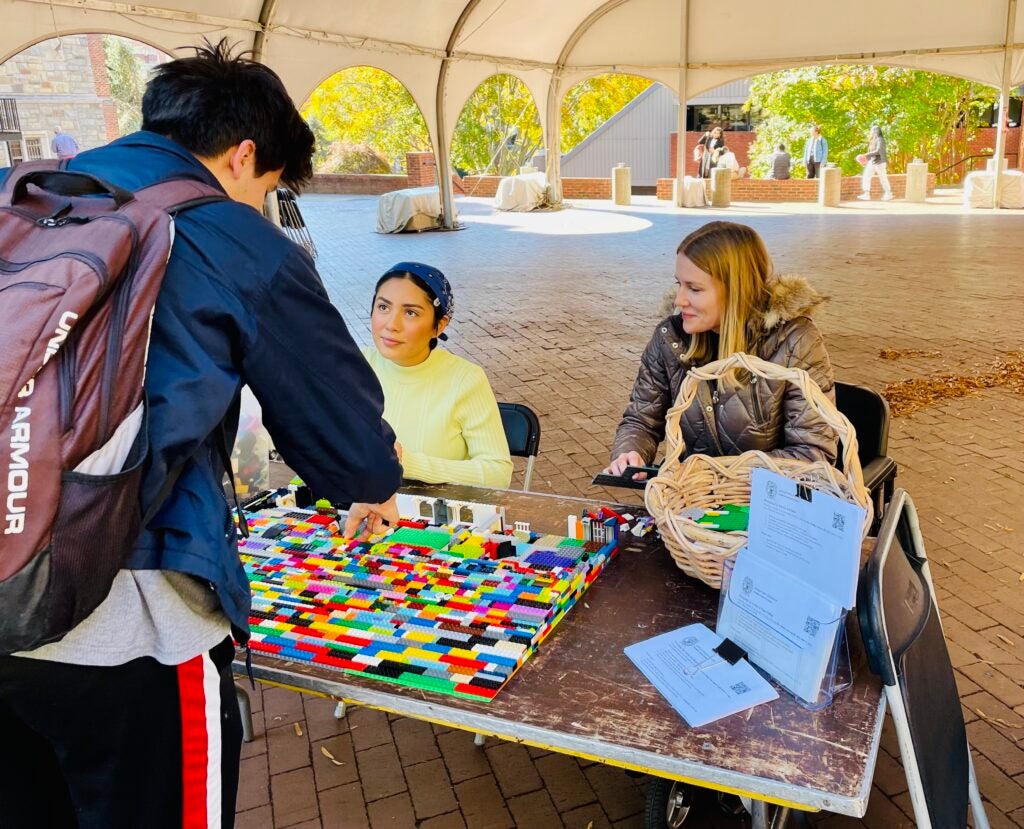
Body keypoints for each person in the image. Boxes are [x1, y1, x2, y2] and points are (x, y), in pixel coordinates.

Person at [0, 40, 402, 829]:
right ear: (245, 153)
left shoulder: (23, 197)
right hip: (128, 629)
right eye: (270, 189)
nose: (263, 205)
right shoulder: (231, 235)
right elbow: (350, 452)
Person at [605, 221, 837, 480]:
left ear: (736, 290)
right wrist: (630, 452)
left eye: (694, 289)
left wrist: (714, 475)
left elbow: (812, 454)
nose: (679, 299)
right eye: (679, 284)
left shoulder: (795, 340)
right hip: (691, 500)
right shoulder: (669, 337)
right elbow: (641, 420)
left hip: (767, 506)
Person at [364, 262, 513, 489]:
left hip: (436, 519)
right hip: (357, 512)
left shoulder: (465, 380)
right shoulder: (355, 366)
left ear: (439, 325)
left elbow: (498, 473)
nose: (391, 325)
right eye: (383, 307)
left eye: (411, 312)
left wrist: (408, 462)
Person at [859, 125, 894, 201]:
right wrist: (865, 160)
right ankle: (866, 194)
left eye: (875, 130)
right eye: (873, 130)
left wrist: (865, 155)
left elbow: (878, 151)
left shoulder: (880, 139)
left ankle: (888, 194)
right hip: (872, 161)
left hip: (880, 161)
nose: (873, 132)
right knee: (866, 176)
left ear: (878, 131)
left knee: (883, 177)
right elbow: (870, 152)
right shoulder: (872, 140)